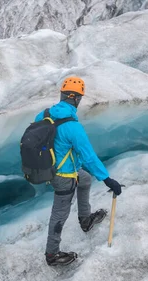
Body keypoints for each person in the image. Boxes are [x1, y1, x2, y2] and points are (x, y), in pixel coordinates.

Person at [34, 76, 122, 266]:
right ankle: (52, 254)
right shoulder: (73, 127)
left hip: (49, 168)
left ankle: (85, 219)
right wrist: (107, 179)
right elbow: (89, 157)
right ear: (76, 99)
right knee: (60, 214)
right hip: (63, 176)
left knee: (85, 179)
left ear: (62, 95)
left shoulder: (43, 115)